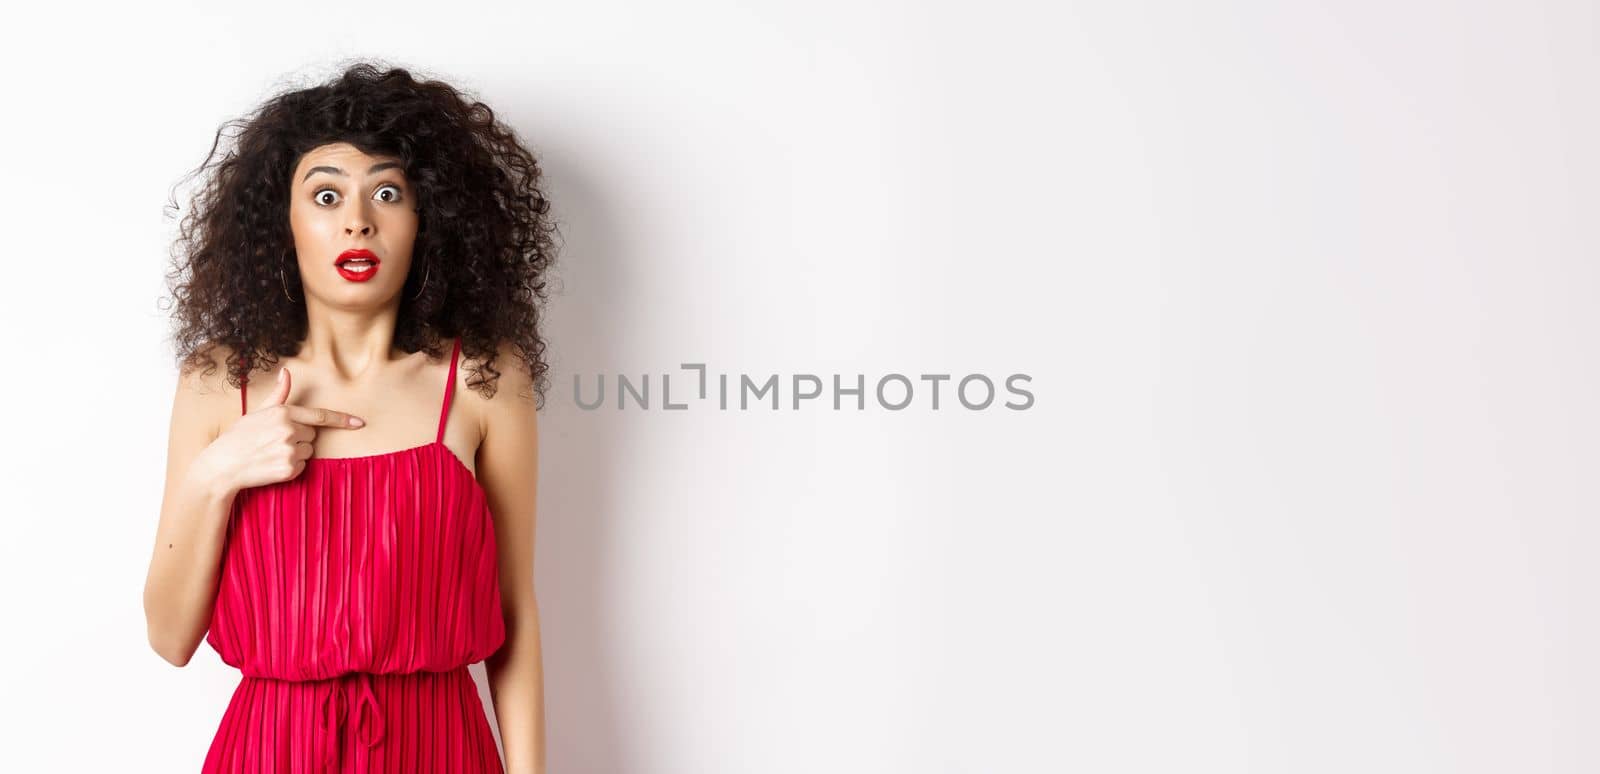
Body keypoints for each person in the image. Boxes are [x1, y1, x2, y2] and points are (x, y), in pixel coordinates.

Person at [141, 61, 557, 773]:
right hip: (270, 754)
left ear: (429, 218)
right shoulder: (219, 383)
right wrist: (217, 476)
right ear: (285, 222)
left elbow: (514, 617)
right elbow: (171, 638)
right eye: (326, 195)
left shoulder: (485, 381)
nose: (357, 220)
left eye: (387, 193)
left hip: (442, 752)